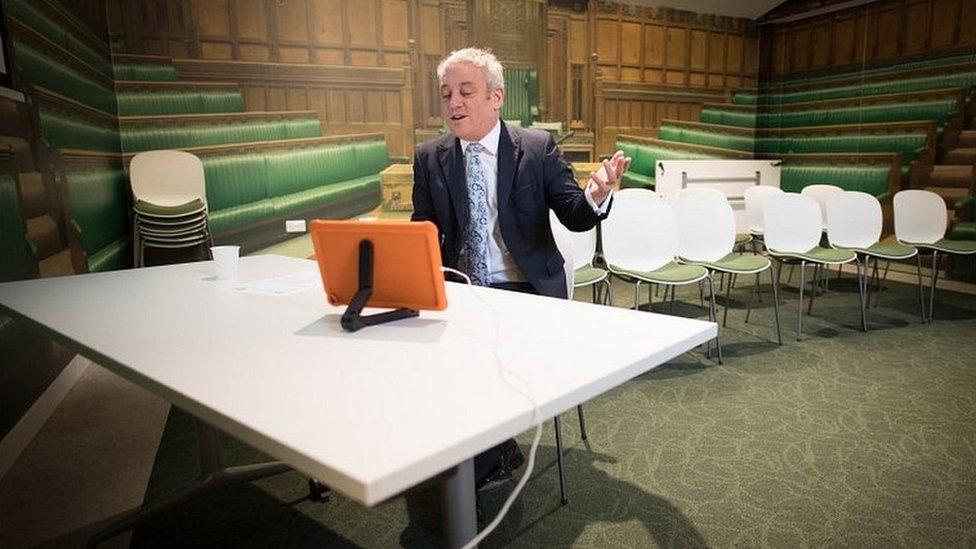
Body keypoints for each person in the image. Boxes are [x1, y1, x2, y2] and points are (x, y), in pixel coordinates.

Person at [411, 47, 631, 490]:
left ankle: (465, 474)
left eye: (466, 92)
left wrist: (596, 195)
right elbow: (423, 233)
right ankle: (480, 455)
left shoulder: (535, 148)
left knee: (486, 368)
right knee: (428, 367)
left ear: (496, 97)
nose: (454, 103)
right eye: (446, 93)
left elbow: (574, 213)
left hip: (523, 289)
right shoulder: (429, 156)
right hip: (459, 290)